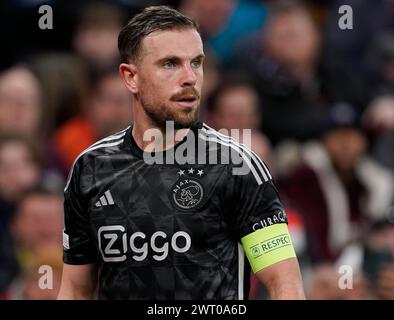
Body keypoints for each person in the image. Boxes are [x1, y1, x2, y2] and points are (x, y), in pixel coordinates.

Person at [58, 5, 305, 300]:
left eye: (196, 63)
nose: (189, 77)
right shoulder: (90, 168)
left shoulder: (236, 165)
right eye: (170, 64)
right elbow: (75, 289)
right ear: (130, 78)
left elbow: (285, 284)